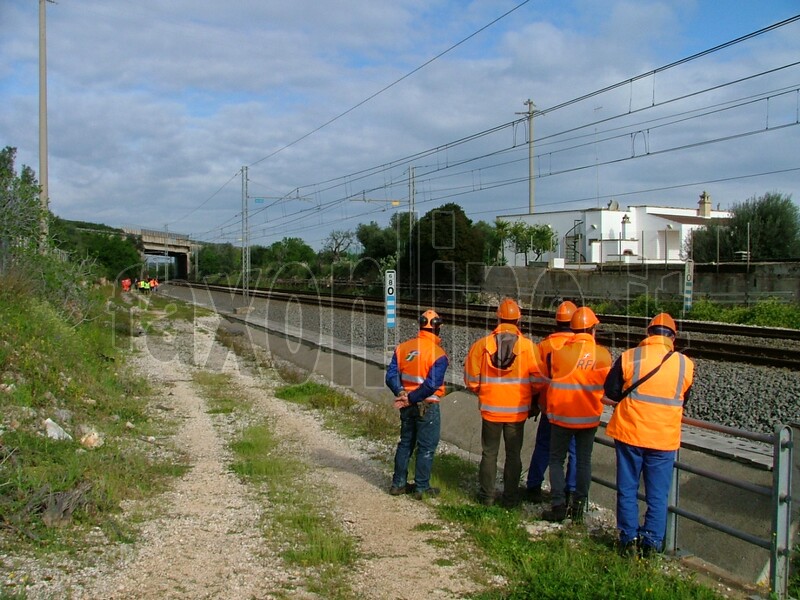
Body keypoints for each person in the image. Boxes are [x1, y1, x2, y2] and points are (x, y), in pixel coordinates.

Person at [605, 313, 694, 557]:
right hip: (663, 439)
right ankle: (652, 542)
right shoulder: (685, 364)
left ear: (648, 333)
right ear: (673, 337)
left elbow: (611, 392)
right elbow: (684, 398)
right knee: (657, 494)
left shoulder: (629, 357)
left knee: (627, 488)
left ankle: (628, 539)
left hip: (630, 433)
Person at [464, 298, 544, 508]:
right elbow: (538, 382)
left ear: (498, 318)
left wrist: (485, 391)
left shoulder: (481, 346)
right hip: (517, 412)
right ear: (519, 320)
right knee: (513, 455)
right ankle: (510, 499)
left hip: (490, 410)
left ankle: (487, 496)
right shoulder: (528, 348)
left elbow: (472, 381)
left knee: (489, 453)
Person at [542, 306, 612, 523]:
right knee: (583, 461)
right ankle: (579, 506)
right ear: (592, 330)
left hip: (560, 416)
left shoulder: (558, 353)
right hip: (588, 418)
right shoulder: (603, 356)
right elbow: (609, 387)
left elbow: (550, 376)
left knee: (556, 460)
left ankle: (558, 505)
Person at [385, 309, 449, 500]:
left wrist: (401, 392)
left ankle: (398, 484)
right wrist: (413, 398)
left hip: (406, 404)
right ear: (437, 328)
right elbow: (432, 384)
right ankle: (421, 487)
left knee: (405, 443)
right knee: (426, 447)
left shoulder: (402, 348)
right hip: (427, 405)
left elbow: (391, 376)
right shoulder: (439, 354)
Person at [525, 300, 578, 503]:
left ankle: (533, 486)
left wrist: (535, 402)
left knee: (544, 447)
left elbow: (537, 378)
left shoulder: (544, 346)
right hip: (573, 408)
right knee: (574, 451)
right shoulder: (580, 347)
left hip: (549, 407)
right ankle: (571, 491)